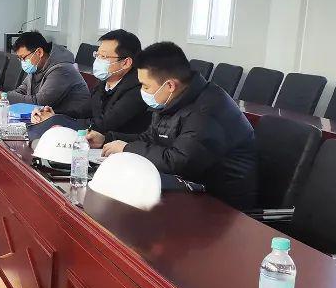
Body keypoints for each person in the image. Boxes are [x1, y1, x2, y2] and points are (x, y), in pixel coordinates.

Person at [93, 41, 258, 211]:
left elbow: (179, 162)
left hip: (221, 204)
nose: (142, 91)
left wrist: (127, 148)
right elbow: (150, 137)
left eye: (145, 86)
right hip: (189, 187)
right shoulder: (173, 98)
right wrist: (108, 139)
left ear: (170, 85)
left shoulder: (208, 111)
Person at [29, 29, 150, 139]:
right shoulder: (104, 82)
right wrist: (53, 113)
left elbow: (103, 124)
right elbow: (84, 110)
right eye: (97, 55)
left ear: (126, 63)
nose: (98, 60)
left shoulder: (137, 89)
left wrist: (57, 120)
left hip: (121, 150)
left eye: (104, 56)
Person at [7, 31, 90, 119]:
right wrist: (5, 97)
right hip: (50, 117)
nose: (22, 62)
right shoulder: (36, 68)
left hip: (73, 121)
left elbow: (39, 102)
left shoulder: (62, 70)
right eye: (20, 59)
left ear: (39, 52)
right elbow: (22, 90)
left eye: (23, 58)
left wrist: (6, 97)